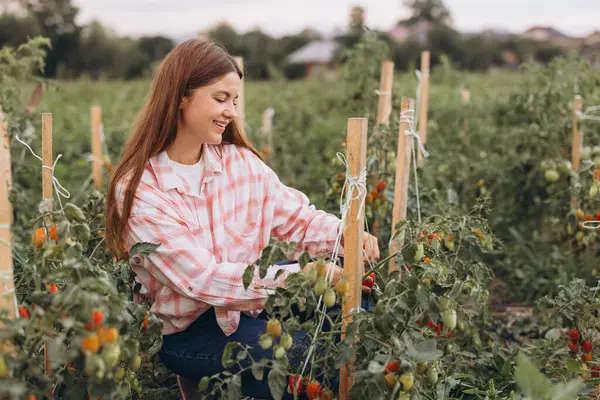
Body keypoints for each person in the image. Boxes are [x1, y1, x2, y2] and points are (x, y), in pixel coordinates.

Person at [104, 38, 379, 399]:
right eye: (220, 98)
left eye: (234, 100)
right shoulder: (141, 190)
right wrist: (303, 276)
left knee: (357, 299)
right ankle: (220, 384)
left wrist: (346, 235)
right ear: (181, 97)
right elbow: (203, 281)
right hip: (190, 330)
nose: (232, 111)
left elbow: (296, 218)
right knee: (299, 353)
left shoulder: (238, 163)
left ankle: (246, 387)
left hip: (248, 311)